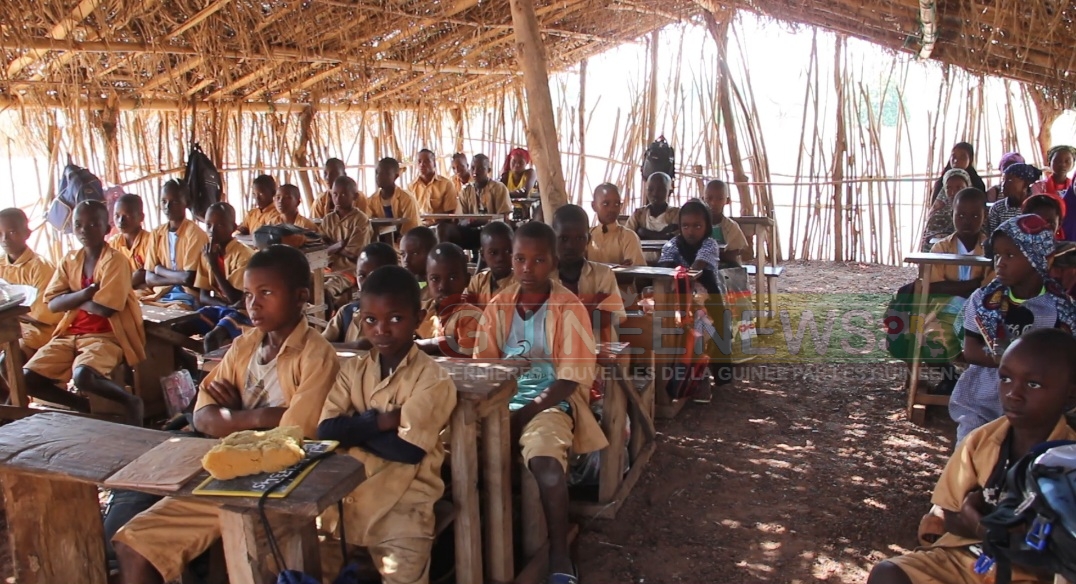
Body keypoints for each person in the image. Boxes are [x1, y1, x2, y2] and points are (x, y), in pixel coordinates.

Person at [112, 245, 340, 584]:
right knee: (131, 541)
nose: (253, 303)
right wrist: (261, 417)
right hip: (226, 469)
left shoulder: (316, 356)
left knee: (194, 555)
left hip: (269, 484)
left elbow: (296, 431)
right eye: (248, 294)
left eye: (266, 293)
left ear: (300, 296)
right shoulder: (246, 345)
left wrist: (233, 416)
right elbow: (201, 413)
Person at [868, 329, 1076, 584]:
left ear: (1070, 394)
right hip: (964, 560)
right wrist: (976, 522)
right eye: (1006, 379)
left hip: (1030, 575)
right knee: (888, 574)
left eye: (1033, 384)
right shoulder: (979, 442)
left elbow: (1061, 558)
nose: (1013, 393)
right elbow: (945, 517)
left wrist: (981, 523)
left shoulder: (1069, 461)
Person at [473, 221, 607, 584]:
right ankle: (471, 544)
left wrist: (523, 415)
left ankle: (560, 553)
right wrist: (500, 413)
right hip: (498, 401)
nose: (527, 268)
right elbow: (483, 366)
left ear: (553, 263)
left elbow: (569, 380)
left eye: (538, 260)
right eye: (520, 259)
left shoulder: (568, 307)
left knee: (547, 465)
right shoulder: (498, 306)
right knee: (453, 454)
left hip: (549, 405)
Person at [317, 265, 456, 584]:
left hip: (402, 507)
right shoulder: (353, 372)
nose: (381, 329)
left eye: (395, 318)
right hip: (343, 501)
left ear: (418, 318)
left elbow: (406, 450)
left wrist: (350, 432)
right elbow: (325, 431)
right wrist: (379, 422)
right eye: (370, 320)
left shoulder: (432, 379)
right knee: (311, 566)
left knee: (404, 576)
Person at [948, 214, 1076, 442]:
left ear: (1037, 257)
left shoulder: (1060, 309)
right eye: (997, 255)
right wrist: (1017, 364)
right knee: (971, 455)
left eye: (1010, 255)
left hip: (1038, 409)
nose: (1000, 263)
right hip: (981, 402)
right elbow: (971, 350)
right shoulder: (983, 300)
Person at [24, 201, 145, 425]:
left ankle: (130, 402)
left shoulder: (115, 261)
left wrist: (70, 297)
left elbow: (106, 309)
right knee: (27, 379)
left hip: (107, 335)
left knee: (83, 376)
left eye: (93, 225)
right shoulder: (69, 260)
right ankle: (83, 407)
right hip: (69, 334)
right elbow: (51, 303)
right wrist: (87, 293)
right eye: (79, 224)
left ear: (107, 229)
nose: (84, 230)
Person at [659, 200, 733, 400]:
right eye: (685, 226)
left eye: (697, 226)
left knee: (715, 328)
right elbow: (664, 268)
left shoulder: (710, 244)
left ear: (707, 226)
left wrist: (680, 275)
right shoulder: (672, 244)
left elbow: (697, 268)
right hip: (680, 293)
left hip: (709, 295)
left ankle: (715, 376)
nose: (691, 231)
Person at [181, 203, 254, 352]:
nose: (212, 231)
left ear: (233, 227)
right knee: (177, 329)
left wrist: (214, 265)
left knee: (212, 339)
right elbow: (203, 296)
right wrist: (224, 306)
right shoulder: (208, 253)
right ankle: (187, 368)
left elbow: (236, 299)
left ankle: (216, 373)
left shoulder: (244, 256)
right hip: (222, 308)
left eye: (220, 225)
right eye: (208, 225)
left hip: (246, 312)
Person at [552, 205, 626, 345]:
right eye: (563, 238)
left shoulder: (603, 275)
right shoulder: (545, 277)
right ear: (552, 239)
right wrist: (591, 307)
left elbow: (607, 318)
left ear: (588, 239)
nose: (571, 245)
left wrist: (562, 314)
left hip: (598, 356)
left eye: (579, 238)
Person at [0, 208, 60, 359]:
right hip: (6, 324)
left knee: (9, 358)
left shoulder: (41, 268)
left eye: (12, 232)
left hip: (37, 331)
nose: (4, 239)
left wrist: (10, 313)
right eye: (0, 233)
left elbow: (42, 316)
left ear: (27, 233)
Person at [143, 181, 209, 307]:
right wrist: (177, 278)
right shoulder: (157, 234)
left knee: (176, 314)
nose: (167, 206)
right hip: (160, 294)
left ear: (187, 203)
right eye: (164, 201)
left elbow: (188, 279)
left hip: (187, 295)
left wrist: (159, 269)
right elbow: (149, 278)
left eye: (175, 202)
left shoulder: (194, 234)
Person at [322, 242, 399, 345]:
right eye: (362, 275)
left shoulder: (400, 317)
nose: (367, 282)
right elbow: (321, 345)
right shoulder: (346, 313)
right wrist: (354, 347)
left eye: (373, 276)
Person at [416, 243, 481, 357]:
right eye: (435, 279)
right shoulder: (421, 310)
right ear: (427, 280)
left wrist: (432, 344)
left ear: (466, 280)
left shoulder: (471, 316)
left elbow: (465, 355)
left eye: (452, 278)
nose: (443, 286)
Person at [320, 175, 372, 308]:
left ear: (354, 197)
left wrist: (330, 246)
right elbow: (320, 247)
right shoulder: (328, 219)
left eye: (343, 194)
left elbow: (355, 253)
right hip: (327, 268)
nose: (338, 198)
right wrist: (337, 245)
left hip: (349, 270)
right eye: (335, 194)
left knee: (326, 289)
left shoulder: (360, 219)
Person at [451, 153, 512, 250]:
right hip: (472, 231)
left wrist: (479, 221)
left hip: (494, 231)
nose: (475, 172)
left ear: (488, 170)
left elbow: (503, 218)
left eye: (480, 168)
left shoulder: (499, 188)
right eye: (473, 168)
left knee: (496, 230)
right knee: (448, 232)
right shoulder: (465, 191)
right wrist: (470, 221)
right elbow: (462, 219)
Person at [588, 183, 646, 266]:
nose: (612, 209)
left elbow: (637, 273)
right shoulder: (587, 236)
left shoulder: (628, 237)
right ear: (594, 206)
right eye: (605, 204)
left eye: (616, 204)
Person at [107, 193, 151, 292]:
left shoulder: (150, 241)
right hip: (122, 292)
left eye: (126, 215)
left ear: (141, 217)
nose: (121, 221)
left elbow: (148, 276)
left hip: (147, 293)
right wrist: (133, 280)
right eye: (117, 216)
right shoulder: (113, 244)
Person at [921, 168, 972, 252]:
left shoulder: (976, 212)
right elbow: (927, 244)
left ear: (968, 187)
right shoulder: (937, 214)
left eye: (959, 187)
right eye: (948, 188)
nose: (953, 192)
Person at [366, 157, 421, 235]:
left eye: (386, 173)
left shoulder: (407, 199)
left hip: (405, 240)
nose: (379, 177)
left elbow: (411, 226)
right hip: (383, 238)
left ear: (395, 176)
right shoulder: (372, 200)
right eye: (377, 173)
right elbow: (368, 222)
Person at [464, 221, 515, 305]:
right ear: (482, 255)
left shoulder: (519, 284)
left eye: (507, 251)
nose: (500, 258)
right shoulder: (477, 282)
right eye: (493, 253)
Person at [702, 179, 750, 265]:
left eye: (720, 198)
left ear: (727, 201)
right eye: (709, 198)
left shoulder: (731, 226)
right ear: (703, 200)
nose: (713, 203)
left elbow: (737, 251)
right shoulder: (698, 225)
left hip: (727, 270)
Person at [987, 163, 1042, 235]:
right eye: (1003, 180)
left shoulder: (1037, 208)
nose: (1003, 185)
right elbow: (992, 236)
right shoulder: (998, 208)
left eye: (1009, 181)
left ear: (1025, 184)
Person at [626, 172, 680, 241]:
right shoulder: (639, 214)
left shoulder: (675, 214)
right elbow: (627, 236)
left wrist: (643, 233)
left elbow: (677, 238)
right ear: (646, 190)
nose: (655, 193)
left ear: (669, 192)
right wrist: (665, 235)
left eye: (660, 190)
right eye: (650, 189)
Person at [410, 148, 458, 215]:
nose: (422, 164)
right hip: (418, 224)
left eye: (426, 161)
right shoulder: (411, 186)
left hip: (439, 224)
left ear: (434, 163)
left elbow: (449, 214)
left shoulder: (446, 184)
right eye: (419, 161)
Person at [401, 226, 436, 293]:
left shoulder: (437, 286)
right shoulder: (405, 281)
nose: (406, 259)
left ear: (430, 252)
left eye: (414, 253)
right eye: (403, 254)